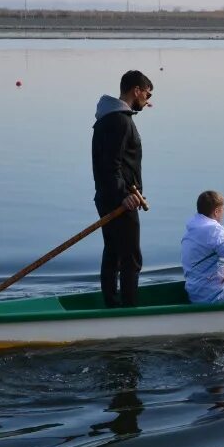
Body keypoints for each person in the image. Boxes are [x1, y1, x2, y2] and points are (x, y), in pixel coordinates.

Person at [91, 70, 152, 308]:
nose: (147, 101)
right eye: (146, 94)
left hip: (110, 196)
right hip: (119, 199)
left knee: (114, 251)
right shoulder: (119, 121)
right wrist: (124, 196)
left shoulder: (110, 117)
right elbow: (110, 166)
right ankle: (128, 310)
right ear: (135, 90)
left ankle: (111, 303)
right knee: (131, 258)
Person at [180, 190, 224, 304]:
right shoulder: (215, 230)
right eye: (223, 209)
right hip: (214, 295)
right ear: (216, 212)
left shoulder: (190, 230)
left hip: (194, 292)